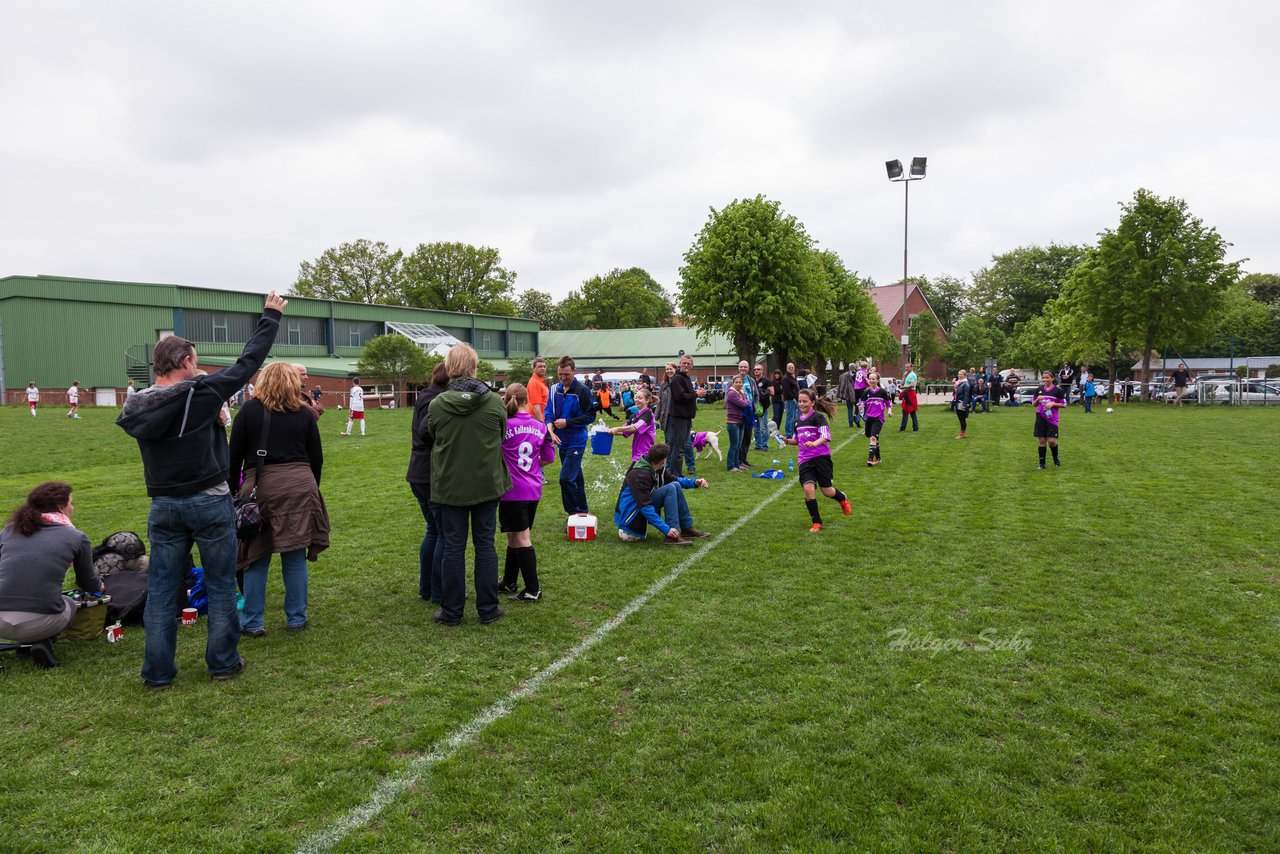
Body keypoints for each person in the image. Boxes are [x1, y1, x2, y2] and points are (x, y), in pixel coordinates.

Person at [117, 290, 286, 688]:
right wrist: (271, 317)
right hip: (209, 502)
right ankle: (223, 662)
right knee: (221, 584)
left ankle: (158, 673)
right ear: (184, 362)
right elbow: (248, 363)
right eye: (195, 358)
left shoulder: (140, 404)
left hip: (164, 504)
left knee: (160, 589)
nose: (200, 365)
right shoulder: (201, 393)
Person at [229, 363, 328, 637]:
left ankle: (252, 622)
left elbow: (233, 457)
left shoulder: (249, 411)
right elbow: (316, 458)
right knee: (294, 554)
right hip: (300, 486)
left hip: (263, 486)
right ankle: (296, 618)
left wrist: (232, 493)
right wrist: (312, 491)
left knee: (256, 557)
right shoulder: (304, 414)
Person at [427, 343, 510, 626]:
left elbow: (433, 436)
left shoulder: (437, 405)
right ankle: (487, 608)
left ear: (450, 369)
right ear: (474, 367)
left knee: (453, 546)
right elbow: (502, 433)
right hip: (486, 482)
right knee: (484, 545)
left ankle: (452, 611)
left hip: (450, 485)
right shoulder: (495, 402)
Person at [0, 482, 101, 668]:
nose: (73, 507)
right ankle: (42, 643)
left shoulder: (7, 531)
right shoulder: (76, 537)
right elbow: (86, 582)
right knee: (68, 602)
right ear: (61, 507)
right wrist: (99, 587)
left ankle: (26, 643)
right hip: (40, 622)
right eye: (71, 503)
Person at [497, 383, 556, 602]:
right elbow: (549, 458)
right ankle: (510, 581)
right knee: (514, 534)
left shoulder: (504, 426)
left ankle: (533, 589)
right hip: (533, 487)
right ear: (527, 401)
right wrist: (532, 465)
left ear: (507, 400)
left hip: (513, 489)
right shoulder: (540, 426)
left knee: (521, 537)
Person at [407, 362, 450, 604]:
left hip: (419, 472)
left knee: (433, 530)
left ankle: (427, 588)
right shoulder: (436, 400)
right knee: (443, 532)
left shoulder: (425, 395)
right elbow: (425, 431)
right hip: (429, 473)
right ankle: (438, 591)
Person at [614, 444, 710, 545]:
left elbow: (674, 479)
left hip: (637, 510)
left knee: (675, 485)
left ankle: (686, 528)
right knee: (670, 489)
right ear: (663, 460)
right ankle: (671, 536)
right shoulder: (640, 474)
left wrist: (695, 482)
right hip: (629, 523)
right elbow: (645, 507)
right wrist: (666, 529)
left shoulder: (653, 466)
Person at [785, 389, 851, 533]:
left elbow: (826, 436)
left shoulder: (818, 417)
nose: (801, 404)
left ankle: (842, 498)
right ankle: (816, 522)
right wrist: (787, 441)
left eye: (805, 401)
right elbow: (797, 440)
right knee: (808, 489)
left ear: (812, 403)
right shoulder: (796, 421)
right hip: (804, 460)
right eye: (800, 401)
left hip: (821, 458)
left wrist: (814, 443)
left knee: (826, 491)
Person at [546, 356, 594, 515]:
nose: (563, 378)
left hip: (577, 441)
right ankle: (583, 511)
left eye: (567, 374)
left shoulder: (583, 390)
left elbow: (590, 416)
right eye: (560, 374)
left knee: (565, 479)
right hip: (561, 441)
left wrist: (568, 422)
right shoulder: (554, 390)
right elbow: (548, 414)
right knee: (576, 479)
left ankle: (573, 514)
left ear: (574, 371)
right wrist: (551, 431)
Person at [666, 355, 698, 477]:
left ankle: (675, 473)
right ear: (679, 364)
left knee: (681, 446)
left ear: (691, 366)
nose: (686, 365)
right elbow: (681, 396)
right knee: (679, 448)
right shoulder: (678, 378)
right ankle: (676, 474)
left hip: (686, 418)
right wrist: (696, 395)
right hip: (679, 418)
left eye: (688, 364)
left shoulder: (686, 378)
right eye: (684, 363)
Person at [608, 388, 657, 462]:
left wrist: (617, 428)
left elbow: (634, 428)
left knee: (632, 474)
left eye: (640, 398)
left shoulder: (648, 414)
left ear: (647, 400)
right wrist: (610, 432)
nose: (636, 400)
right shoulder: (636, 415)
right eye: (636, 397)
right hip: (637, 455)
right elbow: (625, 431)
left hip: (645, 455)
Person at [1033, 370, 1067, 469]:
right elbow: (1033, 404)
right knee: (1042, 440)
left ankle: (1056, 457)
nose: (1045, 379)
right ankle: (1042, 464)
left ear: (1052, 378)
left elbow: (1064, 404)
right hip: (1040, 417)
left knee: (1052, 441)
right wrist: (1037, 400)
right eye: (1044, 377)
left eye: (1047, 377)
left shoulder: (1058, 391)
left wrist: (1052, 404)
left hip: (1052, 419)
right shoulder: (1039, 390)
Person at [861, 371, 893, 467]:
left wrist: (889, 411)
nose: (871, 381)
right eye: (870, 379)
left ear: (877, 380)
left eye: (873, 379)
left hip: (878, 419)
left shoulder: (882, 392)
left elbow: (888, 403)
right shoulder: (866, 392)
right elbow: (862, 402)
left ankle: (870, 459)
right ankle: (878, 458)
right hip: (869, 418)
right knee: (871, 436)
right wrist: (861, 406)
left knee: (873, 437)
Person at [724, 374, 748, 472]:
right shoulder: (731, 393)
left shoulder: (742, 392)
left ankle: (737, 464)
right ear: (733, 384)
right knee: (734, 444)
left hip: (741, 421)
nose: (738, 384)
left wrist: (746, 401)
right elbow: (743, 404)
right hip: (732, 421)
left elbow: (746, 401)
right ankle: (731, 465)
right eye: (736, 382)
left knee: (738, 444)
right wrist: (746, 401)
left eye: (740, 382)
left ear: (742, 383)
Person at [753, 364, 774, 451]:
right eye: (755, 370)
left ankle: (764, 446)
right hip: (754, 406)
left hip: (763, 407)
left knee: (763, 427)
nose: (756, 371)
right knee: (756, 428)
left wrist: (764, 392)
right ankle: (757, 445)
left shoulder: (766, 381)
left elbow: (772, 392)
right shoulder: (753, 381)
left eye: (758, 369)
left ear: (762, 370)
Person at [836, 364, 860, 428]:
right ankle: (857, 420)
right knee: (858, 408)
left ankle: (850, 424)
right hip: (856, 394)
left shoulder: (844, 375)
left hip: (848, 395)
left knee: (850, 409)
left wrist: (840, 394)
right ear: (855, 368)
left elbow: (841, 385)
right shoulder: (858, 374)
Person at [526, 357, 549, 421]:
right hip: (536, 419)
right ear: (533, 369)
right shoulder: (534, 382)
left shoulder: (540, 381)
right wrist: (541, 423)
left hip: (541, 417)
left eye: (544, 366)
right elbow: (536, 405)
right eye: (540, 366)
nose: (543, 368)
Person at [781, 363, 801, 437]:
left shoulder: (794, 377)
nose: (791, 369)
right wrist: (792, 399)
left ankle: (793, 432)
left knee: (794, 416)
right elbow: (786, 391)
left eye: (792, 367)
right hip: (790, 400)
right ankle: (789, 434)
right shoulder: (786, 378)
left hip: (795, 399)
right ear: (787, 368)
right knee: (790, 417)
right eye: (789, 367)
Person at [899, 362, 919, 432]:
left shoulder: (912, 375)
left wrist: (903, 387)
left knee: (907, 411)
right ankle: (915, 428)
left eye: (908, 367)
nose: (906, 368)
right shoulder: (908, 374)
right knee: (910, 412)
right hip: (908, 393)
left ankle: (903, 428)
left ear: (911, 367)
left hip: (910, 394)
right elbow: (902, 383)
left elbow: (912, 385)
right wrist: (904, 376)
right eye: (906, 367)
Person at [954, 369, 972, 439]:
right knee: (960, 418)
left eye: (961, 374)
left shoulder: (966, 384)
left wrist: (964, 405)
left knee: (962, 419)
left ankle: (962, 433)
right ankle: (962, 432)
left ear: (964, 375)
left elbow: (966, 395)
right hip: (957, 402)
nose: (959, 375)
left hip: (962, 403)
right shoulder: (959, 383)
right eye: (959, 374)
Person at [770, 369, 785, 435]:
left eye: (778, 374)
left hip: (781, 401)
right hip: (775, 401)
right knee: (775, 416)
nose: (777, 375)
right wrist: (781, 389)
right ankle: (772, 430)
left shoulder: (781, 382)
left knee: (780, 415)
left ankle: (777, 429)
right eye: (776, 374)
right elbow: (777, 391)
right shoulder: (773, 382)